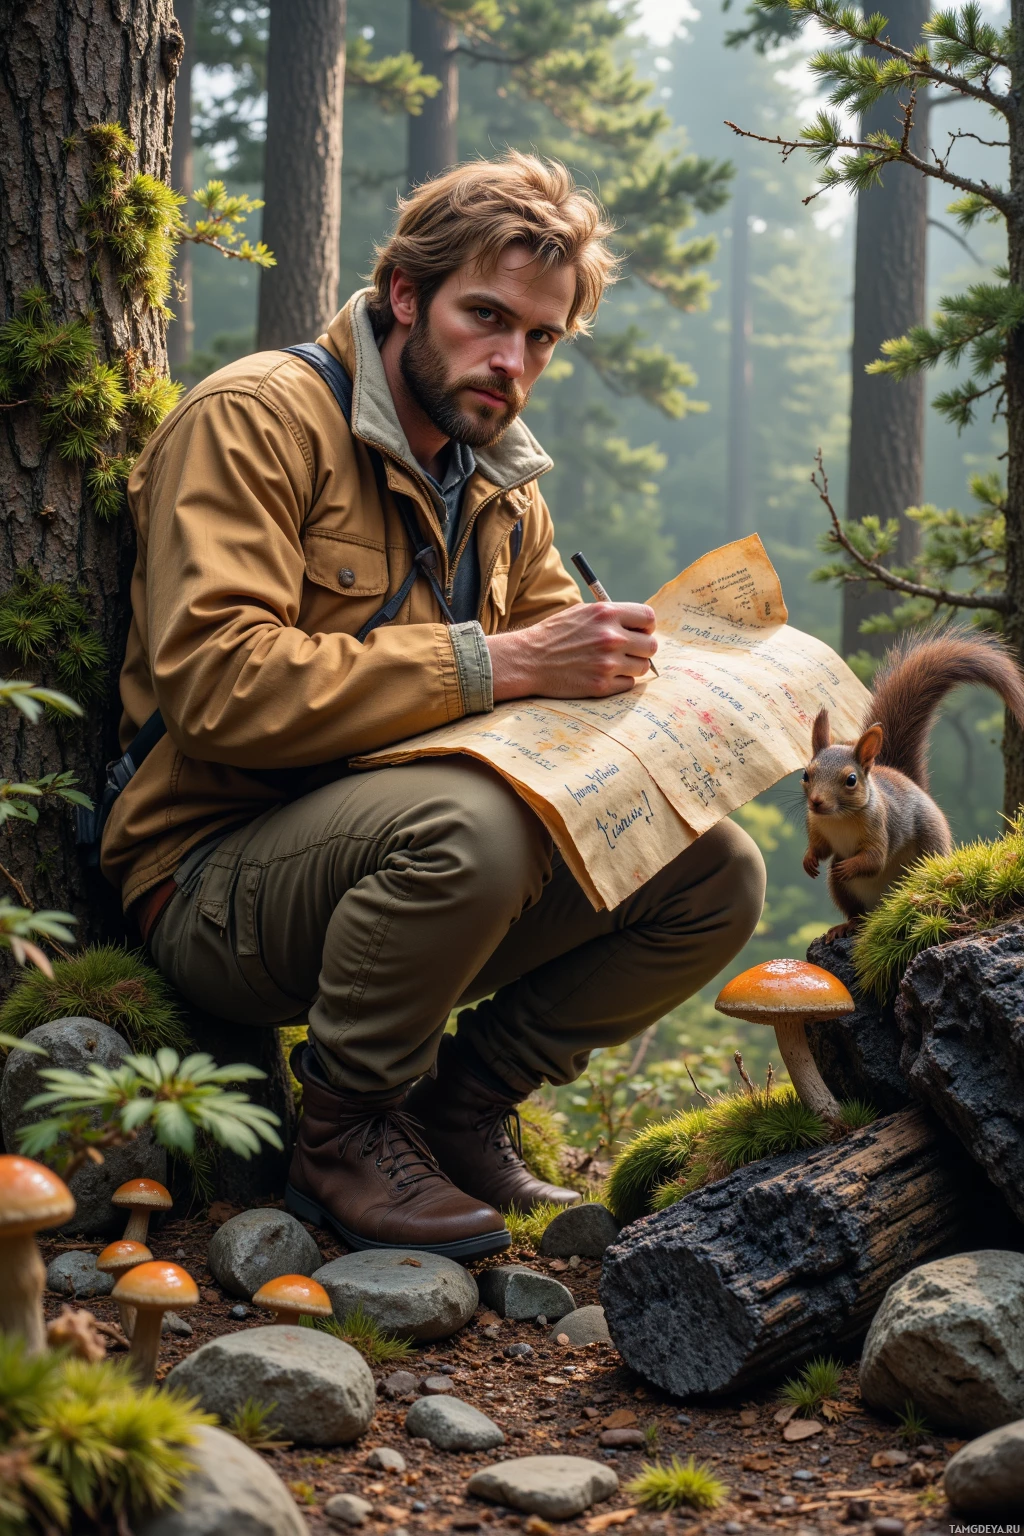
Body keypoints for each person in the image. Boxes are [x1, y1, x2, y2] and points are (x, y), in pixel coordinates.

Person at [103, 152, 766, 1258]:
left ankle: (454, 1113)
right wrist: (501, 664)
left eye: (541, 337)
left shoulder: (502, 484)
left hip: (413, 870)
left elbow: (558, 687)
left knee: (714, 871)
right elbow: (220, 688)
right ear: (405, 296)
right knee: (475, 830)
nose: (511, 360)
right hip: (210, 875)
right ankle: (343, 1132)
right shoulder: (256, 419)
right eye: (485, 316)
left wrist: (655, 698)